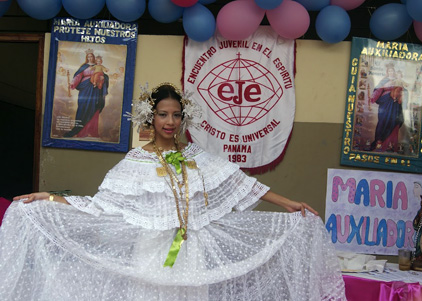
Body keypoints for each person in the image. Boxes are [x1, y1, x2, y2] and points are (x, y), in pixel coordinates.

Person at [0, 83, 346, 300]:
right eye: (163, 115)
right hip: (150, 253)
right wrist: (48, 197)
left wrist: (289, 204)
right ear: (150, 118)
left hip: (190, 251)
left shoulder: (197, 157)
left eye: (176, 115)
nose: (170, 122)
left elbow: (241, 184)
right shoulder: (134, 162)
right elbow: (100, 206)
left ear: (183, 119)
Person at [63, 49, 109, 138]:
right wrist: (72, 83)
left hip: (96, 90)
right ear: (86, 58)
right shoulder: (84, 67)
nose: (90, 58)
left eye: (91, 56)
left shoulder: (98, 66)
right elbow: (78, 76)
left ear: (94, 57)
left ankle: (92, 131)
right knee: (83, 107)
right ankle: (81, 132)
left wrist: (104, 77)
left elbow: (104, 76)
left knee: (94, 108)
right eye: (88, 57)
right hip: (85, 89)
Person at [369, 63, 404, 152]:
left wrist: (399, 95)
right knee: (383, 121)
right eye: (389, 71)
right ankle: (379, 143)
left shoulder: (398, 80)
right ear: (387, 72)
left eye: (392, 71)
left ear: (394, 72)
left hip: (395, 105)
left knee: (394, 121)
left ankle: (390, 145)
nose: (391, 72)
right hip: (385, 105)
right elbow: (377, 90)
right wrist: (372, 98)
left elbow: (403, 90)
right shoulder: (384, 80)